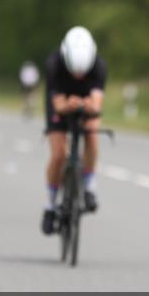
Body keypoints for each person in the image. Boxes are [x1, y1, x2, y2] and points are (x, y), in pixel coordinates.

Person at [42, 26, 107, 234]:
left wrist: (85, 105)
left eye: (83, 73)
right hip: (61, 103)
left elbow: (96, 105)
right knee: (59, 154)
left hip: (83, 102)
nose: (78, 76)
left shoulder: (98, 66)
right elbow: (59, 104)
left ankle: (89, 186)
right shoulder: (54, 64)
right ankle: (50, 205)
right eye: (74, 72)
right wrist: (68, 104)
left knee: (92, 133)